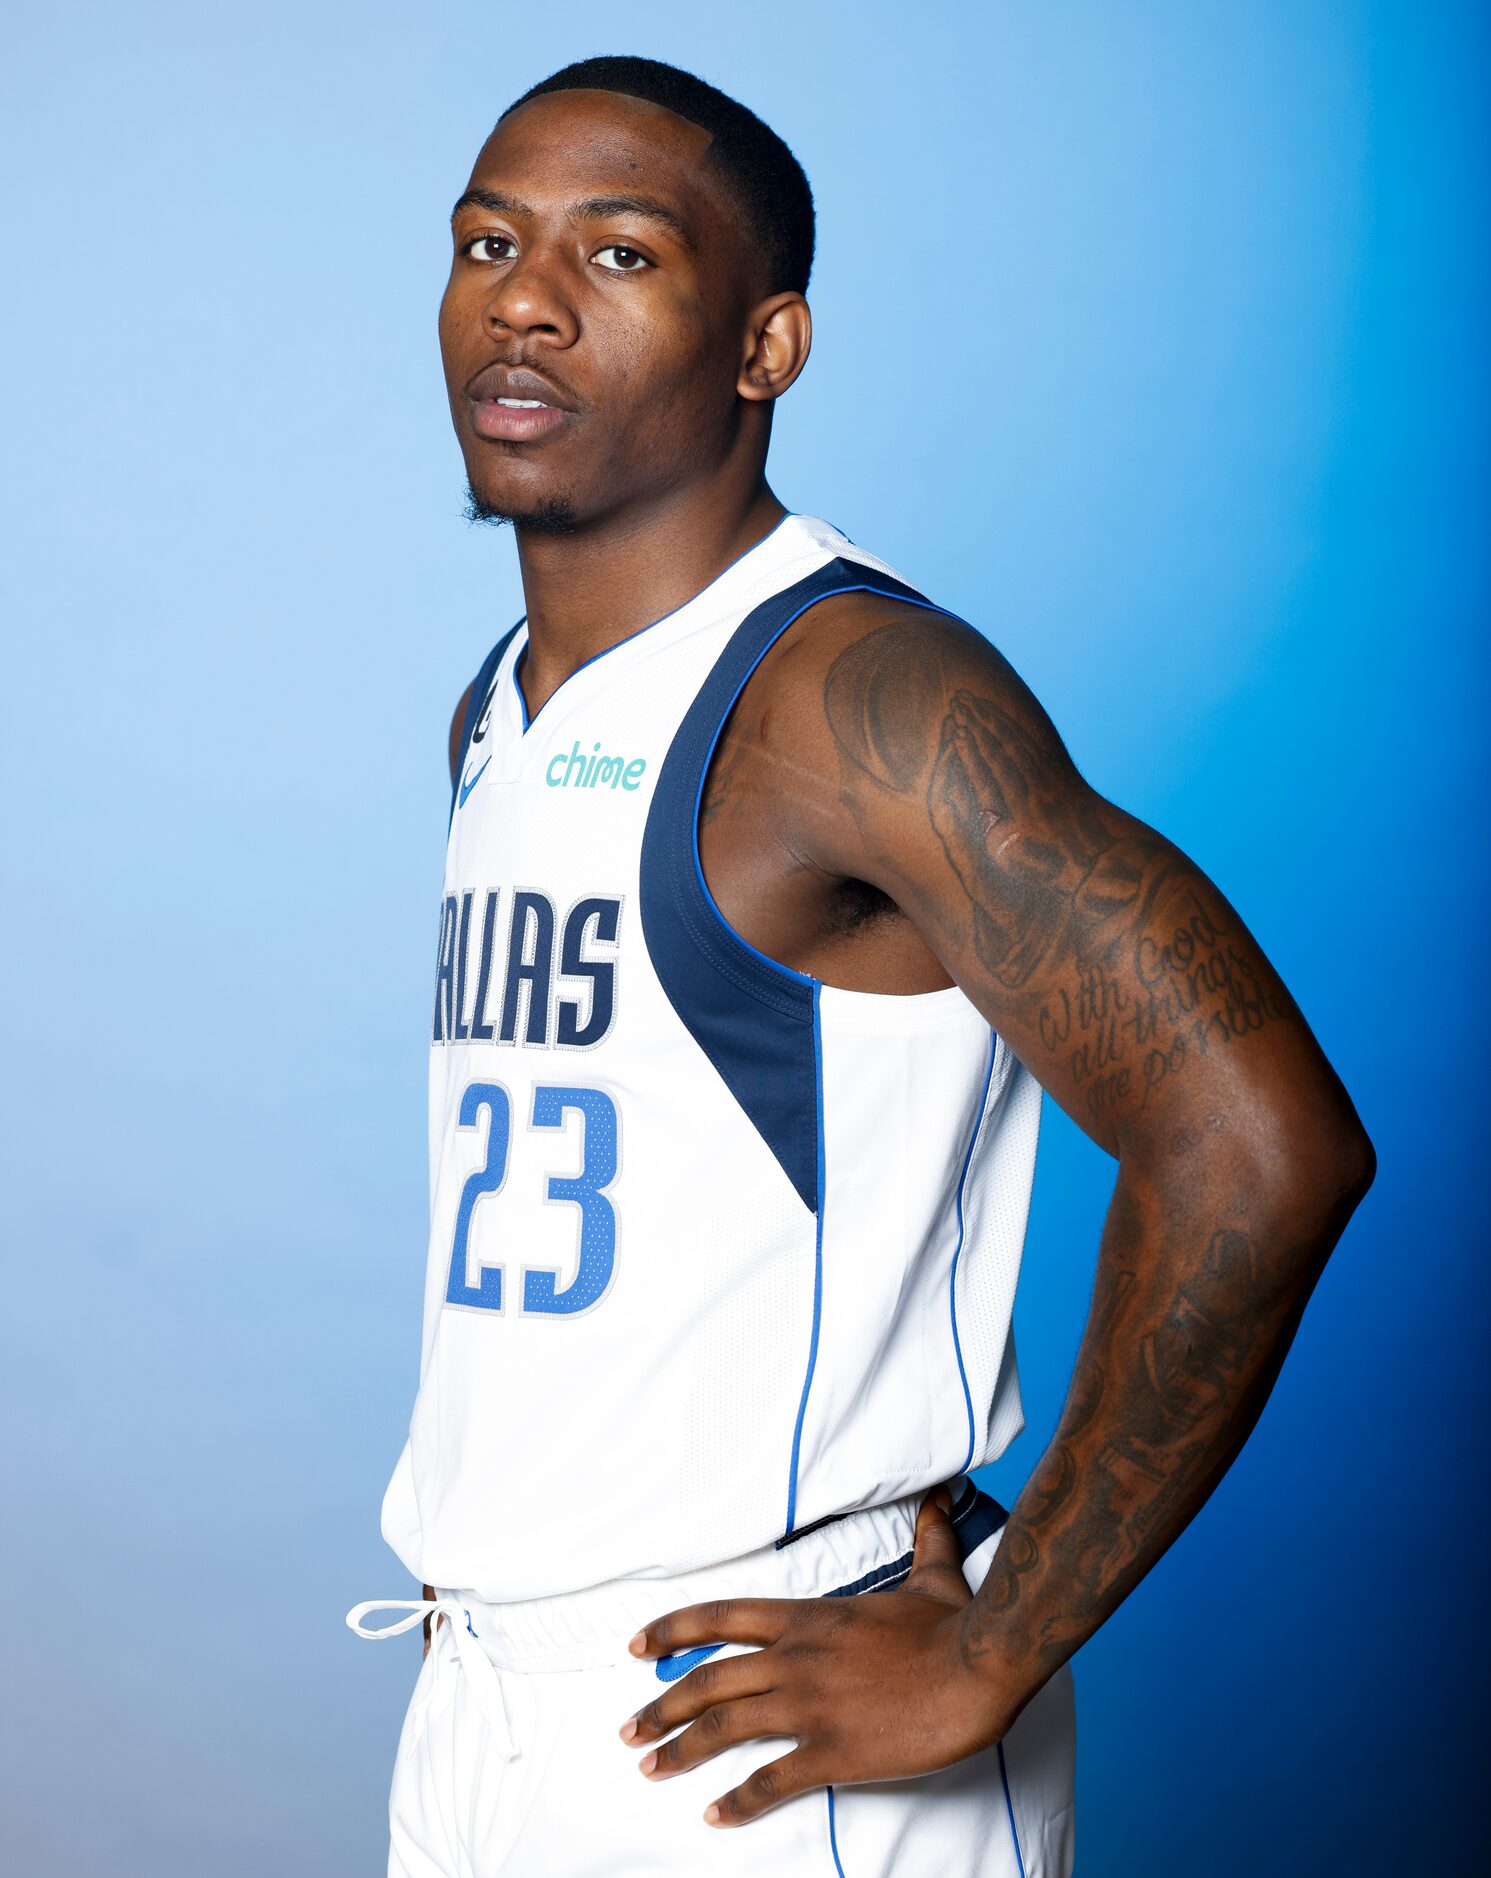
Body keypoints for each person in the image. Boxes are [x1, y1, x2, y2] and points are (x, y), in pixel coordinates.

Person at [346, 54, 1374, 1878]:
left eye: (624, 255)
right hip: (484, 1696)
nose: (525, 296)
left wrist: (995, 1637)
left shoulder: (850, 698)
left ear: (770, 347)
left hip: (766, 1724)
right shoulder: (497, 715)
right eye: (489, 242)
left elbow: (1261, 1138)